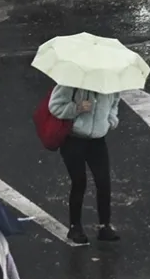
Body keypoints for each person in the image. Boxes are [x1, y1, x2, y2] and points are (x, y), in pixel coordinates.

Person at [49, 85, 121, 244]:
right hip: (73, 139)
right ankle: (75, 227)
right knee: (79, 182)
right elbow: (54, 106)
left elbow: (115, 102)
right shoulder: (72, 82)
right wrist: (76, 108)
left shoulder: (110, 83)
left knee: (104, 182)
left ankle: (104, 226)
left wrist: (111, 120)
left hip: (97, 140)